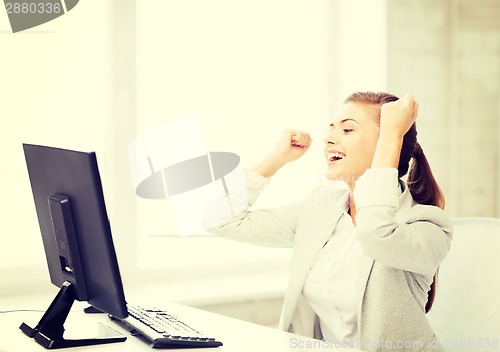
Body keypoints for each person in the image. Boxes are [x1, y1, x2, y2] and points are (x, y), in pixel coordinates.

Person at [203, 91, 453, 351]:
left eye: (347, 130)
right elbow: (220, 219)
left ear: (387, 144)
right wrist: (277, 159)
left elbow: (375, 234)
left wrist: (392, 137)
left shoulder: (428, 225)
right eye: (332, 129)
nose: (330, 138)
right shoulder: (321, 210)